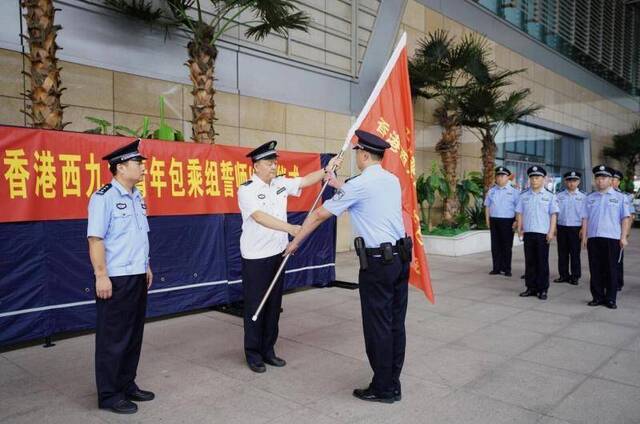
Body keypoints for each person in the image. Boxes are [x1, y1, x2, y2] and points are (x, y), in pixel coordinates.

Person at [285, 130, 411, 404]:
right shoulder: (390, 180)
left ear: (364, 155)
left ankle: (382, 388)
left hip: (378, 264)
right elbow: (357, 189)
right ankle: (392, 382)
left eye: (357, 154)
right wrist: (335, 182)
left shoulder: (358, 186)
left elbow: (320, 214)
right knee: (394, 324)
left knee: (378, 325)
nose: (357, 158)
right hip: (400, 260)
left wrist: (296, 240)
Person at [238, 140, 341, 373]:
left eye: (274, 162)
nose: (273, 166)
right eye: (268, 162)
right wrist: (290, 229)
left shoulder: (281, 184)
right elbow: (259, 216)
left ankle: (268, 350)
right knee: (256, 304)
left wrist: (327, 169)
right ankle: (253, 353)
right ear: (256, 166)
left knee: (274, 305)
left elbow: (304, 181)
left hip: (278, 253)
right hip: (255, 256)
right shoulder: (247, 189)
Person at [87, 139, 154, 414]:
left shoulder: (137, 195)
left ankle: (127, 384)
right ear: (121, 167)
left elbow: (140, 236)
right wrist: (101, 275)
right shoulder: (104, 198)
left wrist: (146, 265)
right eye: (138, 163)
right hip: (116, 278)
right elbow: (95, 239)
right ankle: (109, 394)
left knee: (133, 334)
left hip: (137, 275)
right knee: (113, 338)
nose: (143, 168)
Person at [582, 165, 631, 309]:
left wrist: (623, 237)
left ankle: (610, 298)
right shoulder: (590, 198)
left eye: (603, 178)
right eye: (597, 178)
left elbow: (625, 219)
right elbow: (585, 218)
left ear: (610, 180)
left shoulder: (620, 198)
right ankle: (597, 297)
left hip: (612, 238)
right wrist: (584, 236)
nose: (600, 181)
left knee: (611, 269)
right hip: (594, 238)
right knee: (595, 268)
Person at [515, 166, 558, 300]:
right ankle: (530, 287)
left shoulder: (550, 196)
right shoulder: (524, 196)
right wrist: (520, 228)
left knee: (542, 262)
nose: (534, 180)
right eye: (532, 177)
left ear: (544, 179)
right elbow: (520, 213)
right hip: (528, 232)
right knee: (530, 262)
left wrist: (551, 232)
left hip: (542, 233)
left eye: (537, 177)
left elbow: (553, 215)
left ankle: (542, 289)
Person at [484, 166, 519, 277]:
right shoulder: (492, 190)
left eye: (502, 176)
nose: (500, 178)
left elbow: (518, 208)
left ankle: (506, 268)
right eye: (498, 175)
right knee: (495, 246)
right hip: (494, 220)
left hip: (508, 221)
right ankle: (496, 268)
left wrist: (517, 221)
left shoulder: (514, 191)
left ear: (508, 177)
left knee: (506, 246)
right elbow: (487, 206)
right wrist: (487, 220)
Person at [554, 171, 586, 285]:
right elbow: (555, 213)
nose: (571, 183)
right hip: (561, 227)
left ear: (579, 182)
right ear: (565, 181)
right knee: (562, 253)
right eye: (569, 181)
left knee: (574, 253)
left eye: (574, 181)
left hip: (576, 228)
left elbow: (585, 215)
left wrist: (583, 229)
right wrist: (554, 227)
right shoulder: (559, 195)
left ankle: (575, 276)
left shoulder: (583, 197)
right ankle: (563, 275)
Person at [611, 169, 632, 291]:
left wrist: (626, 233)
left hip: (619, 231)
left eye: (614, 179)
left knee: (618, 259)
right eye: (611, 179)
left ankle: (618, 281)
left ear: (618, 182)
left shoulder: (625, 196)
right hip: (607, 231)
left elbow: (630, 216)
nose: (612, 181)